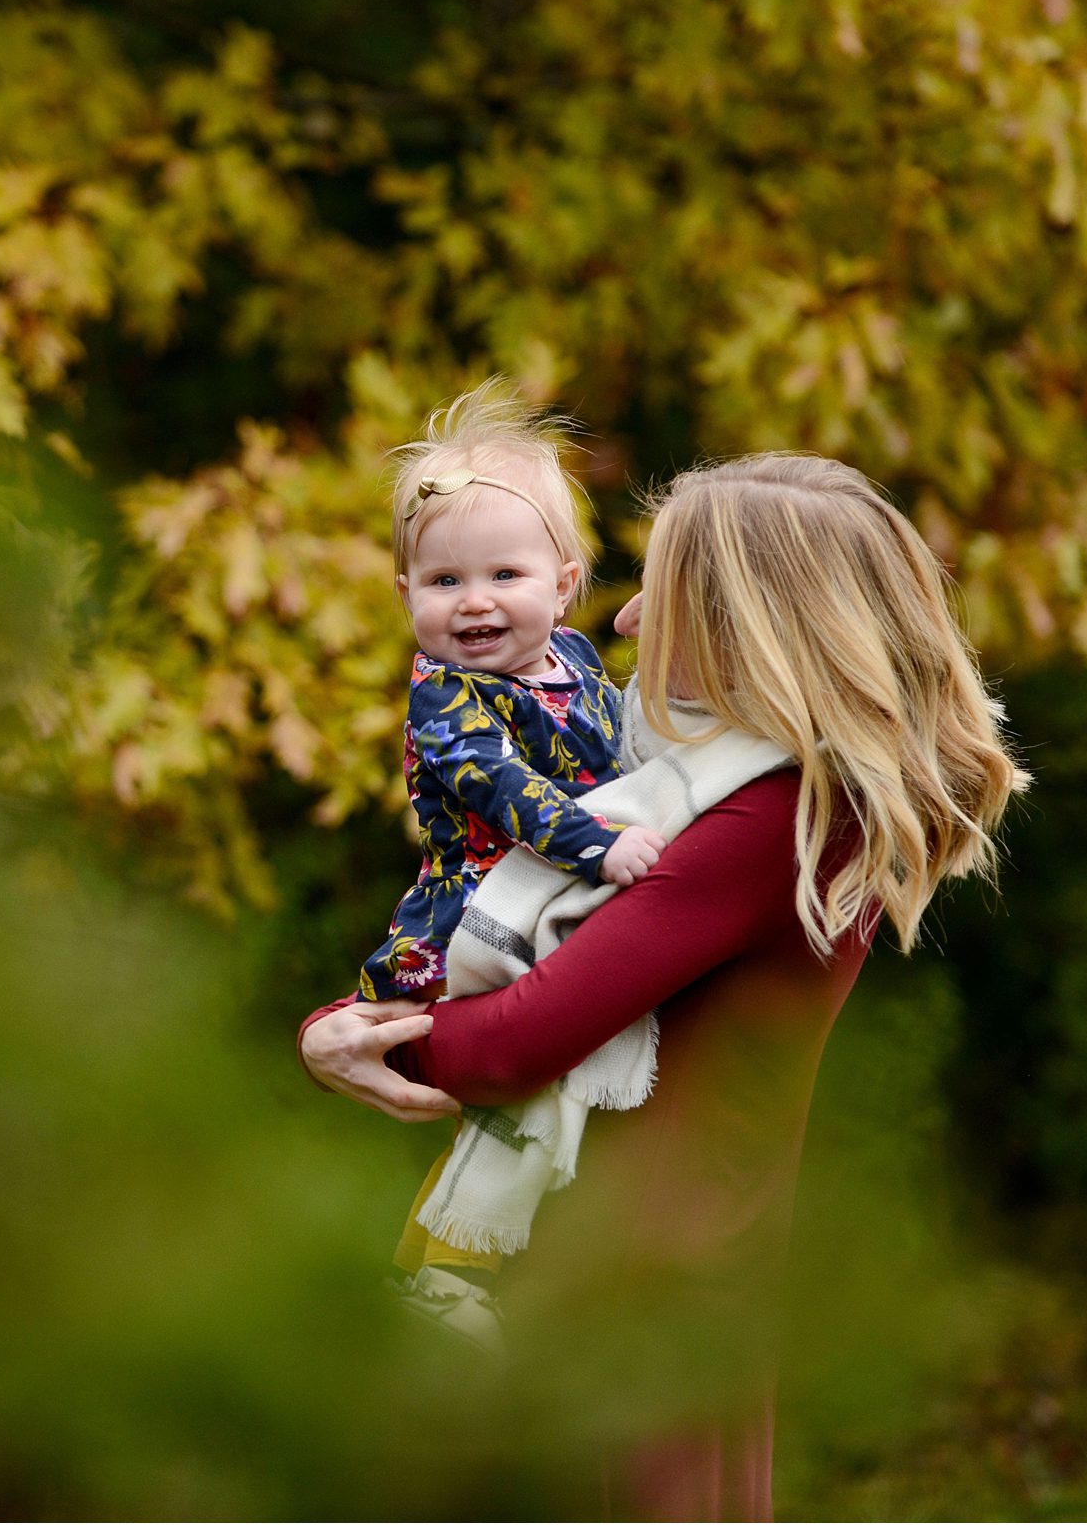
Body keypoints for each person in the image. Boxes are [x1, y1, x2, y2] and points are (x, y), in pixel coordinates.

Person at [300, 451, 1027, 1519]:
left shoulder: (769, 817)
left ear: (744, 622)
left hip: (629, 1305)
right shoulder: (747, 794)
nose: (631, 620)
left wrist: (347, 1039)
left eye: (669, 591)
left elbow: (516, 1041)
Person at [352, 382, 670, 1350]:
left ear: (565, 583)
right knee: (518, 1090)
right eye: (444, 582)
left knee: (569, 1088)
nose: (475, 602)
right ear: (407, 595)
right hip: (478, 912)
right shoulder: (446, 700)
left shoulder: (574, 658)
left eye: (504, 574)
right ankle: (444, 1265)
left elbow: (621, 745)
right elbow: (503, 789)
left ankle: (539, 1260)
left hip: (556, 895)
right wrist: (603, 844)